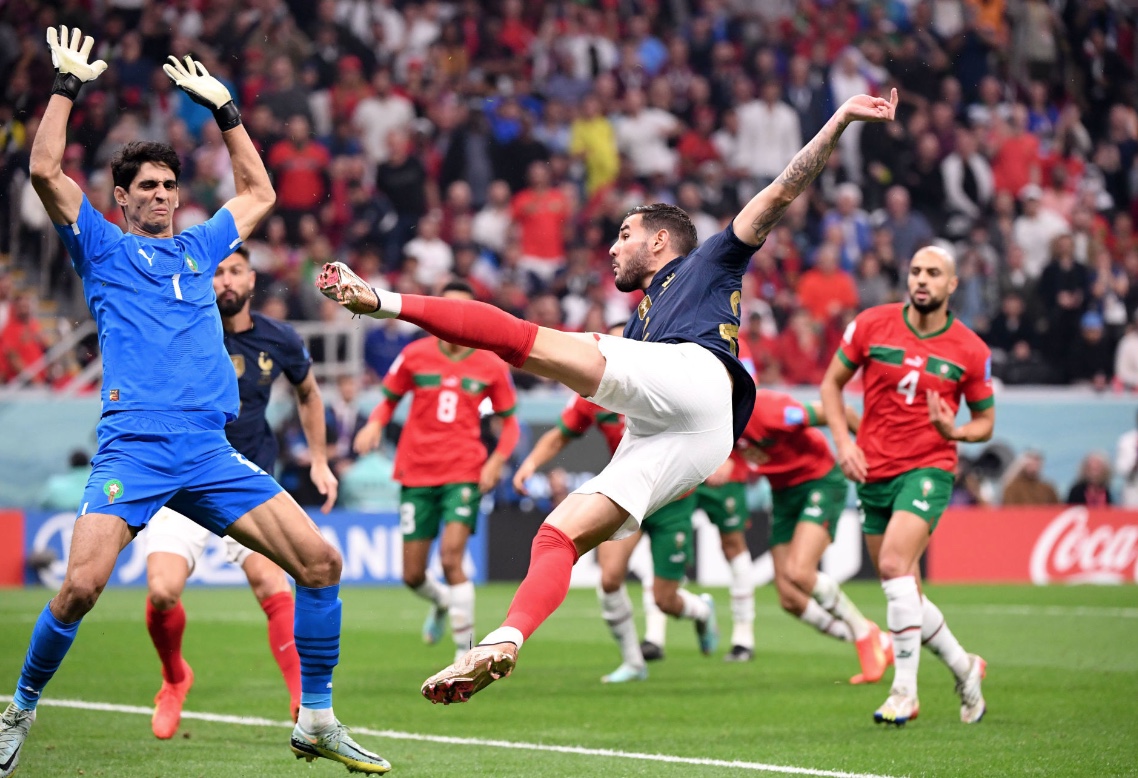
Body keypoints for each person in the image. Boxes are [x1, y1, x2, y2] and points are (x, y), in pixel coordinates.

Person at [319, 88, 900, 705]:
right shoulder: (641, 322)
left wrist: (840, 119)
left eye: (625, 234)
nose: (613, 247)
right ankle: (505, 640)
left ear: (660, 241)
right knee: (557, 535)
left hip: (700, 377)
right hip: (693, 438)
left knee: (523, 339)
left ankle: (381, 299)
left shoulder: (710, 261)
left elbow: (781, 191)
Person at [0, 28, 389, 777]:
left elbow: (261, 193)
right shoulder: (101, 247)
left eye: (169, 185)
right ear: (121, 198)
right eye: (147, 186)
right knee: (79, 588)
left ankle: (316, 719)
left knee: (320, 562)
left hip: (211, 451)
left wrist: (227, 111)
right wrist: (66, 88)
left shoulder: (199, 249)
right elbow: (44, 168)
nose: (161, 195)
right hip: (135, 447)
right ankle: (18, 709)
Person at [143, 246, 338, 739]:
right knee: (162, 592)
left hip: (245, 481)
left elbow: (309, 393)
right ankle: (175, 678)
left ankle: (301, 701)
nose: (226, 280)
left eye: (235, 271)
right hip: (182, 479)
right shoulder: (183, 330)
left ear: (251, 280)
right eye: (217, 272)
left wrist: (319, 458)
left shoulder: (280, 338)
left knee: (273, 584)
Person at [820, 245, 994, 727]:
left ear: (951, 285)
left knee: (895, 566)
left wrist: (956, 431)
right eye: (916, 270)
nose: (921, 279)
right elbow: (831, 385)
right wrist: (843, 443)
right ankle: (964, 667)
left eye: (933, 273)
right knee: (903, 588)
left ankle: (905, 692)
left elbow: (986, 422)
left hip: (929, 468)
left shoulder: (971, 350)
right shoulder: (871, 324)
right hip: (872, 469)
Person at [512, 336, 719, 684]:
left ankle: (699, 611)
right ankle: (634, 662)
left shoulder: (668, 381)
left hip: (673, 499)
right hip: (628, 493)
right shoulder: (600, 390)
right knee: (609, 579)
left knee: (665, 598)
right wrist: (530, 464)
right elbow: (561, 435)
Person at [353, 281, 520, 663]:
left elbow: (510, 423)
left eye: (465, 311)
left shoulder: (490, 363)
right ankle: (443, 602)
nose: (456, 318)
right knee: (412, 575)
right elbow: (388, 400)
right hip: (415, 472)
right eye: (450, 309)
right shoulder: (414, 355)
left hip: (463, 471)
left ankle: (465, 655)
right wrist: (375, 424)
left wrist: (496, 461)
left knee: (450, 559)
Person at [726, 388, 893, 683]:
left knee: (800, 572)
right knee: (789, 598)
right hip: (782, 494)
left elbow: (841, 412)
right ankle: (878, 640)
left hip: (820, 481)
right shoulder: (715, 425)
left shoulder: (769, 410)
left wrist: (871, 453)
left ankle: (864, 634)